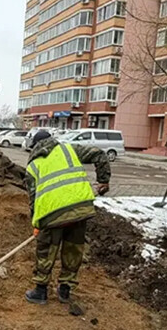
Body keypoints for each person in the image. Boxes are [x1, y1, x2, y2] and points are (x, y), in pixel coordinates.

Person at [24, 130, 111, 306]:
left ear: (34, 147)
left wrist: (37, 223)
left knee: (46, 250)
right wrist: (103, 181)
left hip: (51, 214)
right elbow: (99, 154)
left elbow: (33, 200)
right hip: (80, 208)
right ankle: (65, 290)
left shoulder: (32, 167)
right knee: (73, 249)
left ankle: (40, 292)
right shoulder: (69, 149)